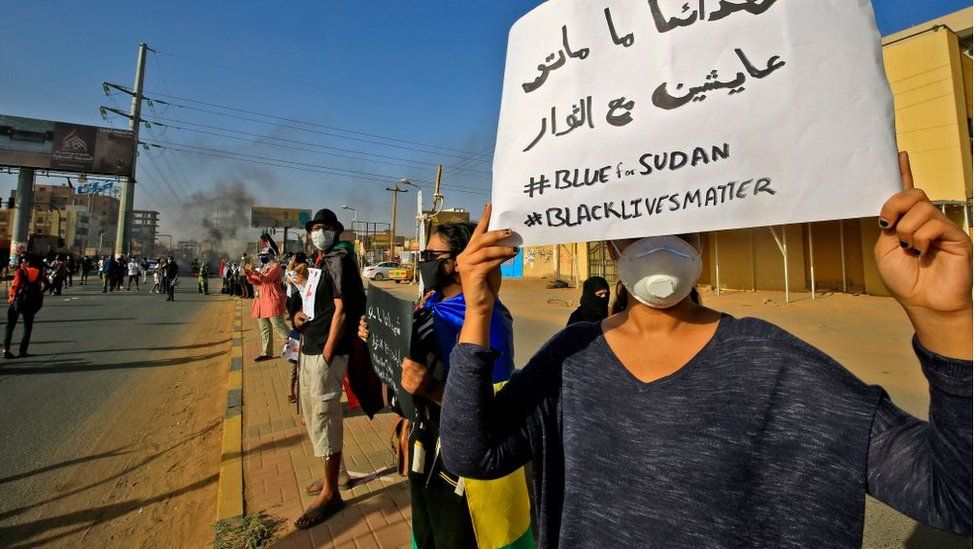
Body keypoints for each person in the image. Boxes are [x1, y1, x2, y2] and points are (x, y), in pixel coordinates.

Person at [440, 155, 974, 548]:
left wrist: (946, 319)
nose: (655, 236)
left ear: (705, 236)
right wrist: (478, 313)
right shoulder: (572, 359)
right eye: (634, 221)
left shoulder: (774, 366)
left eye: (675, 216)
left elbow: (956, 495)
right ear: (608, 244)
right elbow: (474, 455)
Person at [358, 222, 530, 549]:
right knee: (430, 529)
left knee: (463, 535)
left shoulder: (485, 317)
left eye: (432, 255)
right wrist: (374, 337)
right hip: (428, 440)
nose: (424, 261)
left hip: (468, 461)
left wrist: (433, 391)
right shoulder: (429, 300)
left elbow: (492, 410)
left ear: (460, 260)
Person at [291, 208, 366, 529]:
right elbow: (312, 303)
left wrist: (326, 354)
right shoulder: (317, 262)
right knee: (313, 413)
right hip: (310, 344)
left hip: (327, 352)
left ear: (336, 231)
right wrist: (296, 317)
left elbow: (342, 312)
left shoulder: (340, 260)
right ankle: (338, 475)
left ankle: (332, 492)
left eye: (325, 228)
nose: (319, 233)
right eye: (315, 228)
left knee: (324, 414)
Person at [245, 237, 289, 361]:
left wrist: (254, 271)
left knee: (278, 324)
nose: (261, 257)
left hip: (272, 299)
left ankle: (295, 345)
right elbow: (256, 281)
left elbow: (267, 279)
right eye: (261, 255)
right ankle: (266, 352)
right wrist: (249, 273)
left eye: (264, 255)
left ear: (270, 255)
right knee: (264, 328)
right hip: (261, 300)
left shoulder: (276, 266)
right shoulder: (264, 267)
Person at [4, 254, 48, 359]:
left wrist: (12, 298)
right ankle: (23, 351)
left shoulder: (21, 271)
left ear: (26, 262)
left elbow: (16, 285)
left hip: (18, 301)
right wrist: (40, 292)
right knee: (27, 327)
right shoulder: (40, 272)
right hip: (31, 302)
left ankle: (6, 350)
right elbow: (48, 284)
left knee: (10, 326)